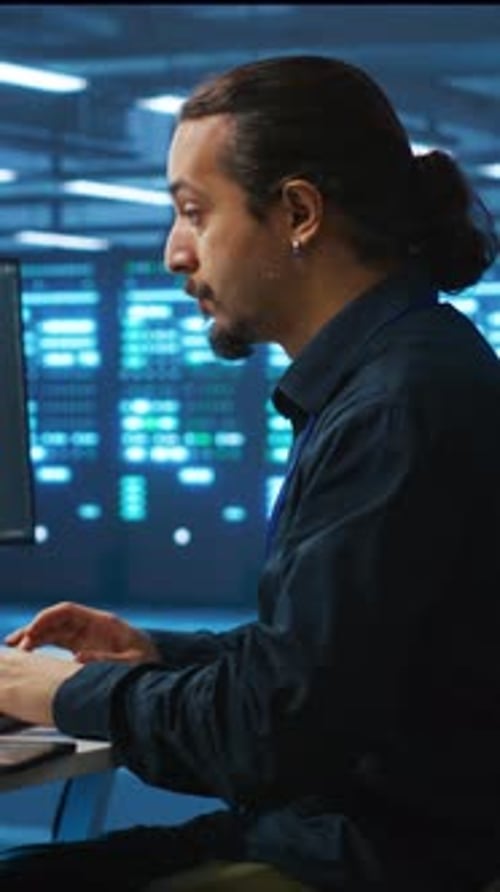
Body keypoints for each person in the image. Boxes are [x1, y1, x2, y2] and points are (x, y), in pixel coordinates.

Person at [0, 54, 499, 892]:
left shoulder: (396, 409)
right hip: (370, 831)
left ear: (299, 212)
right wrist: (153, 653)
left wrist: (52, 692)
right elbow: (328, 666)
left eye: (194, 212)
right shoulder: (406, 370)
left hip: (375, 859)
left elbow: (270, 736)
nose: (173, 253)